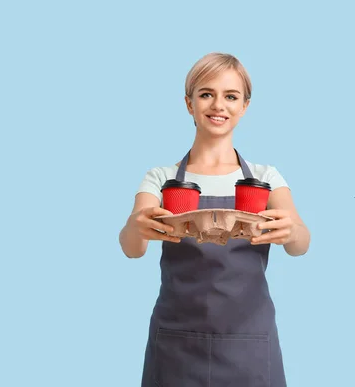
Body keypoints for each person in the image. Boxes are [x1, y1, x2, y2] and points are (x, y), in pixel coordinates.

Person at [119, 52, 310, 387]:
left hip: (249, 341)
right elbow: (132, 248)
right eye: (206, 94)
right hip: (177, 342)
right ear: (189, 103)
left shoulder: (266, 178)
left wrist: (291, 230)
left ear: (245, 106)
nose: (218, 105)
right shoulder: (161, 178)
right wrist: (137, 226)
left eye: (230, 96)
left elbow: (300, 244)